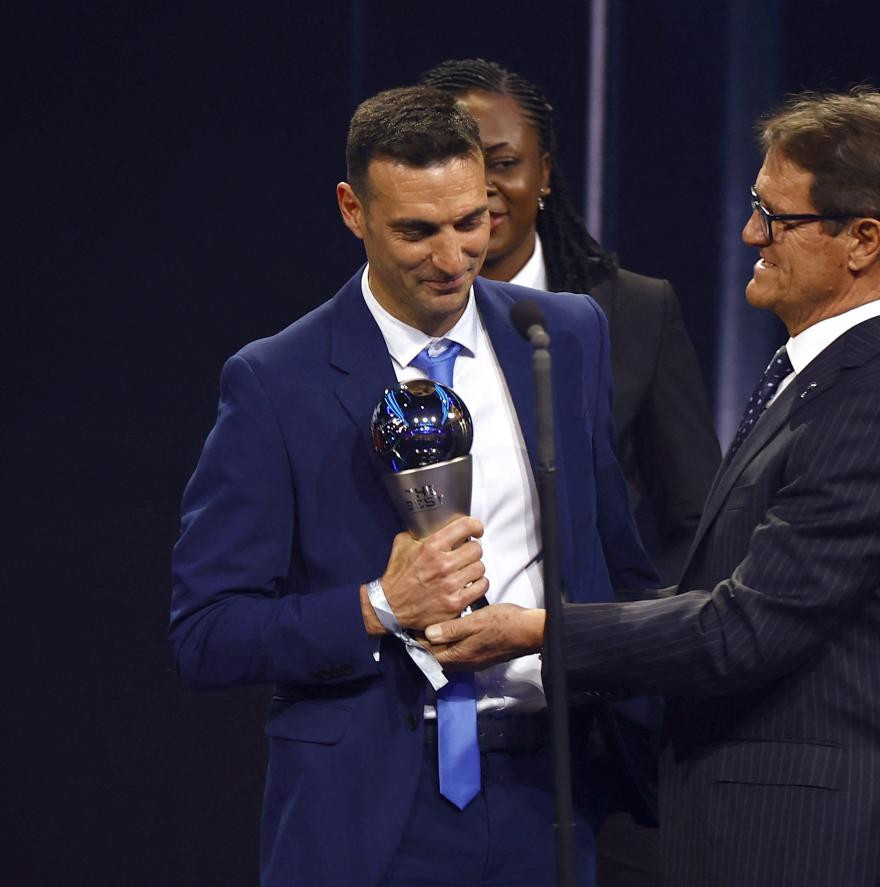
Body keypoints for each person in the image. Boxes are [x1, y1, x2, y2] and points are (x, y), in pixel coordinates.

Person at [426, 87, 880, 887]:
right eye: (755, 204)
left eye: (776, 218)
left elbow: (740, 631)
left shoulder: (875, 406)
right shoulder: (819, 379)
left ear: (862, 239)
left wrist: (540, 629)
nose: (750, 232)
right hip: (753, 828)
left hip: (818, 842)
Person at [169, 86, 657, 887]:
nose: (451, 257)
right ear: (352, 210)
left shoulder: (562, 335)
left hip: (551, 796)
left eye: (472, 222)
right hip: (368, 814)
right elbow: (206, 631)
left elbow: (617, 560)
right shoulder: (273, 381)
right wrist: (378, 605)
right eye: (416, 231)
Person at [420, 58, 721, 586]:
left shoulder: (635, 312)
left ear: (545, 173)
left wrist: (625, 633)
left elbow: (696, 520)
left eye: (504, 163)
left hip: (589, 656)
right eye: (457, 163)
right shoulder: (377, 316)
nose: (478, 189)